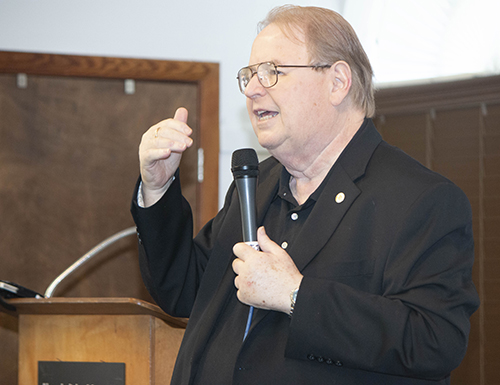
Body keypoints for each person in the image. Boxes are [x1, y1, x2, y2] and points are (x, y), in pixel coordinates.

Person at [131, 5, 479, 384]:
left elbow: (433, 340)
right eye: (248, 75)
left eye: (272, 72)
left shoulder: (422, 200)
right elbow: (183, 290)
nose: (252, 89)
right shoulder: (256, 184)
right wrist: (158, 187)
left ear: (337, 82)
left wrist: (297, 296)